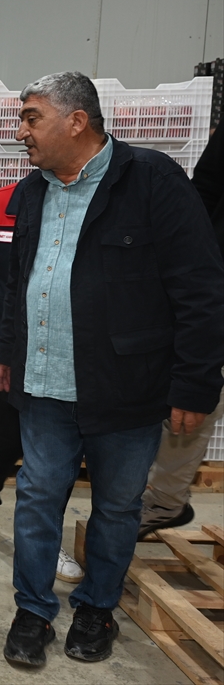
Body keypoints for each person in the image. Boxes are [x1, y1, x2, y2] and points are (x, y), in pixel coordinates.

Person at [0, 72, 223, 668]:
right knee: (38, 496)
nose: (21, 132)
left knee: (119, 506)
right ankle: (33, 610)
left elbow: (199, 286)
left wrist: (196, 379)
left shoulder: (150, 181)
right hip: (45, 384)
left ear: (77, 121)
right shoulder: (31, 191)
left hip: (126, 386)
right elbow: (16, 281)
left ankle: (97, 608)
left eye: (31, 117)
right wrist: (10, 354)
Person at [0, 182, 84, 583]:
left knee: (60, 451)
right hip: (5, 346)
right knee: (7, 435)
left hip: (68, 351)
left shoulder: (86, 204)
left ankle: (46, 538)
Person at [137, 128, 224, 537]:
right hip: (213, 278)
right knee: (197, 396)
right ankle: (167, 500)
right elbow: (204, 189)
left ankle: (167, 498)